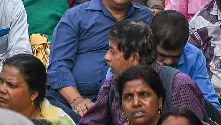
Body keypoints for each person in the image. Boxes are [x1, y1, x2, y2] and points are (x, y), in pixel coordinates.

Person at [49, 0, 156, 116]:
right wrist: (76, 100)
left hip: (130, 101)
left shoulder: (146, 18)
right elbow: (59, 66)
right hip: (79, 101)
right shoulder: (75, 17)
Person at [79, 19, 209, 125]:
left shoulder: (179, 86)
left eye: (113, 52)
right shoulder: (113, 83)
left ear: (135, 58)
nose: (106, 57)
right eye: (128, 97)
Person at [0, 53, 74, 125]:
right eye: (1, 81)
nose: (1, 89)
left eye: (11, 85)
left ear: (33, 94)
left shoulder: (58, 122)